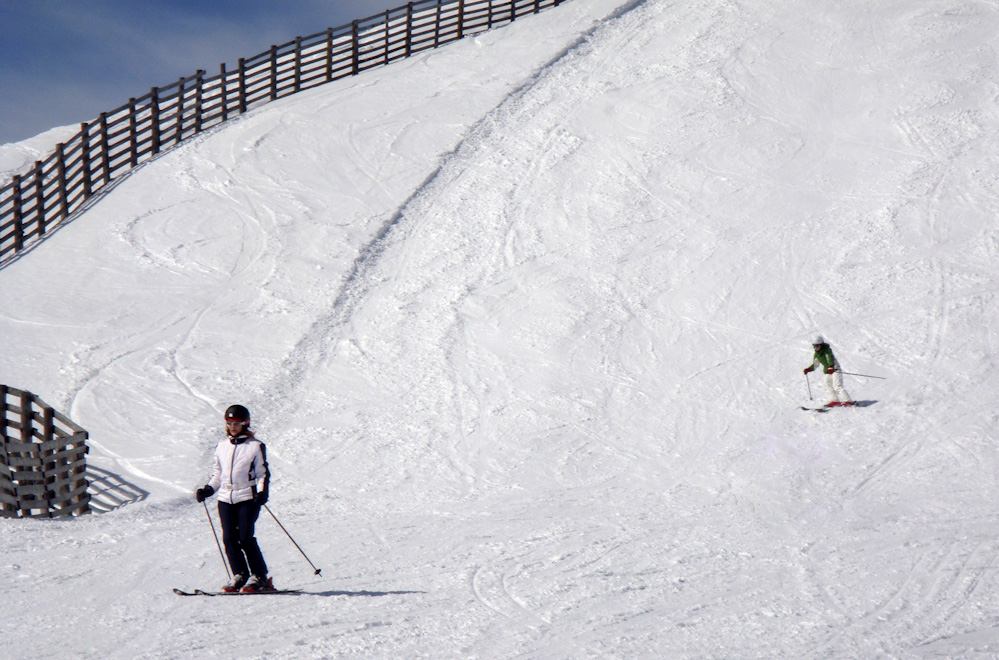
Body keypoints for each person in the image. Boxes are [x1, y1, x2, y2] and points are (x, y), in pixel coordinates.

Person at [196, 404, 274, 593]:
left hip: (247, 496)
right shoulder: (222, 446)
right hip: (225, 498)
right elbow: (218, 474)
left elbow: (262, 473)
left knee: (245, 537)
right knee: (229, 538)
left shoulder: (255, 446)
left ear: (245, 424)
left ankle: (260, 576)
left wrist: (262, 493)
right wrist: (208, 490)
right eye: (229, 423)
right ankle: (240, 574)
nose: (232, 427)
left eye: (236, 423)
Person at [803, 335, 854, 407]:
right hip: (828, 371)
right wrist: (808, 369)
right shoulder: (817, 354)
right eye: (814, 346)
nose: (815, 347)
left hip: (835, 369)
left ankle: (848, 401)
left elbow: (830, 358)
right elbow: (815, 364)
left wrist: (831, 366)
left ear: (821, 344)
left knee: (837, 386)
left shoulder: (827, 350)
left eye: (817, 345)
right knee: (826, 385)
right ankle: (834, 400)